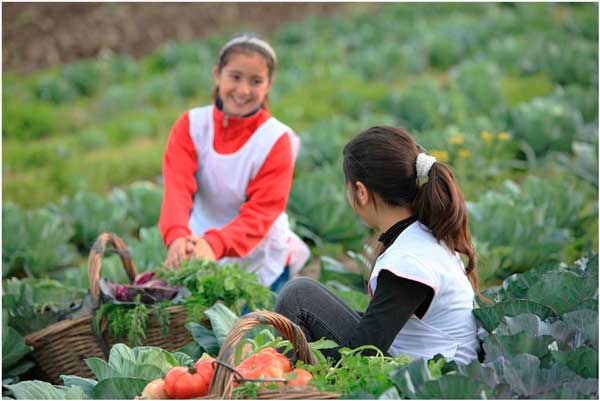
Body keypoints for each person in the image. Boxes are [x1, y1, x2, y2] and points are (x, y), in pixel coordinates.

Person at [275, 126, 482, 364]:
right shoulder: (423, 237)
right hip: (427, 364)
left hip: (432, 382)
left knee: (298, 297)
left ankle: (286, 384)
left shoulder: (409, 262)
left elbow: (364, 354)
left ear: (361, 192)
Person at [158, 34, 309, 291]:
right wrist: (177, 237)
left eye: (256, 81)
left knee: (251, 329)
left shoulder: (276, 139)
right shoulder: (191, 126)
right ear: (218, 75)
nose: (242, 91)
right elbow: (177, 190)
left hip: (258, 257)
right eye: (235, 77)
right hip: (196, 248)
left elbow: (261, 213)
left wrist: (214, 244)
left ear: (269, 84)